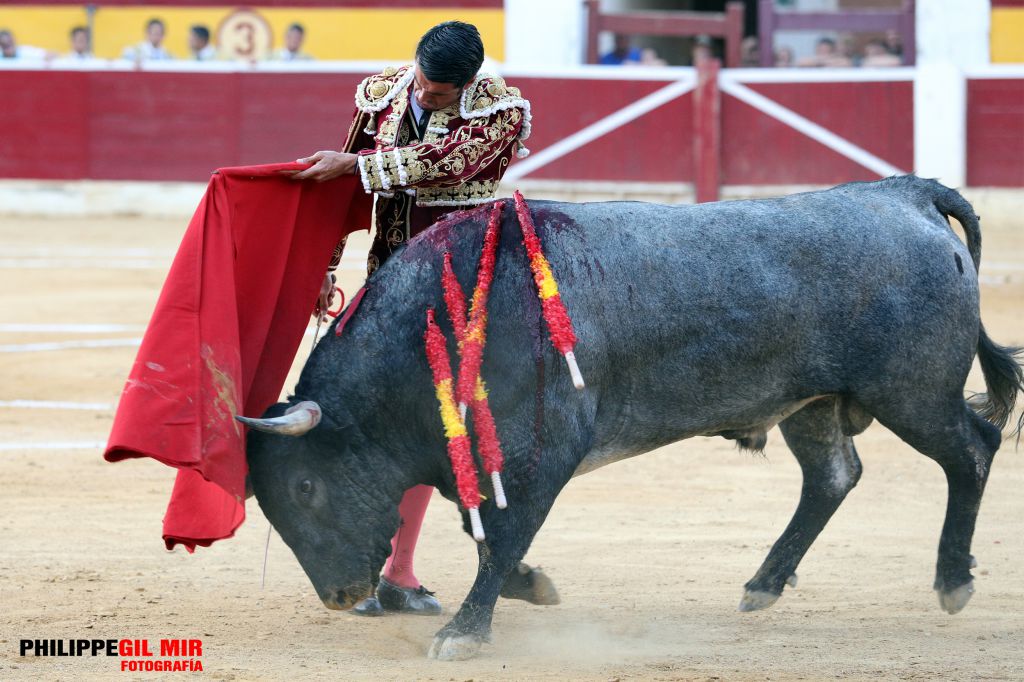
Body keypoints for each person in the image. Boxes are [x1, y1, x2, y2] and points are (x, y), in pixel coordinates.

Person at [287, 20, 554, 617]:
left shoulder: (501, 113)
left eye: (441, 94)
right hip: (388, 284)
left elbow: (447, 163)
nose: (427, 96)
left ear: (469, 84)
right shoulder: (381, 91)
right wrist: (324, 269)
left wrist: (357, 166)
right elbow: (342, 189)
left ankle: (400, 571)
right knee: (381, 422)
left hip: (468, 294)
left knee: (445, 424)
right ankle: (387, 570)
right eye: (424, 85)